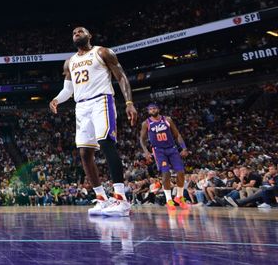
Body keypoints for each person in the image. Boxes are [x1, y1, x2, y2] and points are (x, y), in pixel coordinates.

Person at [49, 27, 138, 217]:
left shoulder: (102, 52)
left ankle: (121, 199)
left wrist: (129, 102)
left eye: (81, 31)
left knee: (106, 143)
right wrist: (56, 99)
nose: (76, 33)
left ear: (90, 36)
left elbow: (121, 77)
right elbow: (68, 90)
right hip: (81, 107)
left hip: (101, 100)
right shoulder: (69, 62)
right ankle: (101, 199)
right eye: (73, 32)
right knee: (84, 152)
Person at [139, 102, 190, 211]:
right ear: (148, 112)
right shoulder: (146, 123)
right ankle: (169, 200)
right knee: (165, 173)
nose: (153, 110)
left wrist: (184, 147)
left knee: (181, 172)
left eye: (154, 108)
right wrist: (146, 152)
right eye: (150, 109)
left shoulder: (167, 120)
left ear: (158, 109)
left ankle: (179, 197)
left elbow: (177, 135)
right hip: (159, 151)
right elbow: (142, 139)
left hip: (172, 149)